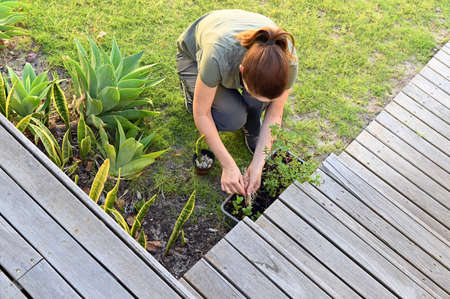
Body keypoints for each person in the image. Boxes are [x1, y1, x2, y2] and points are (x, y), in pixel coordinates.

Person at [176, 9, 298, 196]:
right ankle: (192, 91)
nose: (262, 103)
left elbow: (275, 113)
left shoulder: (286, 62)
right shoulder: (216, 56)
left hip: (234, 60)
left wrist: (259, 164)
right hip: (193, 58)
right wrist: (228, 165)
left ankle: (251, 125)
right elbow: (202, 114)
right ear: (241, 71)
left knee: (255, 103)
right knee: (231, 117)